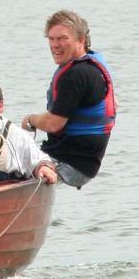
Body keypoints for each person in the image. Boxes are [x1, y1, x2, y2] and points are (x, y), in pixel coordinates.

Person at [22, 10, 116, 189]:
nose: (55, 45)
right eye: (51, 39)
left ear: (81, 40)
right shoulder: (95, 62)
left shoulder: (75, 75)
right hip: (86, 163)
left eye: (62, 38)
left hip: (69, 163)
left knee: (3, 161)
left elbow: (53, 124)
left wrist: (30, 120)